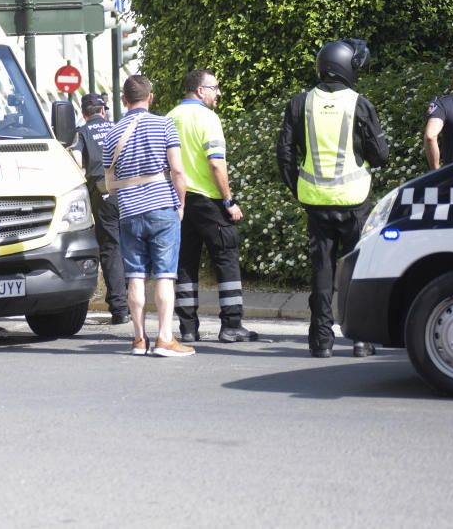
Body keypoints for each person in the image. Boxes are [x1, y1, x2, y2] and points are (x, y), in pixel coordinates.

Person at [276, 38, 389, 358]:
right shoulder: (359, 103)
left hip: (315, 200)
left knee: (321, 271)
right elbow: (380, 155)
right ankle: (360, 339)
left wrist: (298, 187)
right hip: (354, 200)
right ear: (346, 68)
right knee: (356, 270)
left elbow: (284, 154)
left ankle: (321, 341)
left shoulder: (299, 102)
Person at [167, 69, 259, 343]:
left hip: (180, 201)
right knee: (226, 258)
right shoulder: (207, 118)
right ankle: (231, 324)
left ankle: (188, 328)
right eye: (215, 88)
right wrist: (229, 201)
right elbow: (216, 163)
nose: (218, 93)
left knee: (185, 263)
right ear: (200, 90)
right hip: (209, 200)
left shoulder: (170, 117)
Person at [103, 74, 192, 357]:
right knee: (165, 275)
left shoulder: (112, 133)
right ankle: (165, 338)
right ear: (150, 97)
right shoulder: (164, 124)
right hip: (162, 206)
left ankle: (139, 339)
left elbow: (110, 179)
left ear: (123, 100)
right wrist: (181, 202)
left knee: (135, 276)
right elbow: (177, 170)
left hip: (129, 211)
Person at [73, 92, 129, 324]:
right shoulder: (117, 127)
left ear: (85, 114)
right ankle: (134, 301)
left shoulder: (82, 133)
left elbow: (77, 162)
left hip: (102, 192)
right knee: (129, 243)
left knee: (110, 247)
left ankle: (120, 307)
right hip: (128, 188)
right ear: (103, 111)